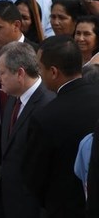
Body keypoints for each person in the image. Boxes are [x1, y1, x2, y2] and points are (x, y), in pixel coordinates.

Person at [23, 35, 99, 217]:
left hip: (64, 208)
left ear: (54, 72)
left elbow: (33, 177)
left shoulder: (45, 118)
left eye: (40, 68)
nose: (39, 74)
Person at [0, 42, 54, 218]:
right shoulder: (13, 97)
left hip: (30, 206)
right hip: (6, 197)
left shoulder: (47, 106)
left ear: (20, 73)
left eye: (2, 72)